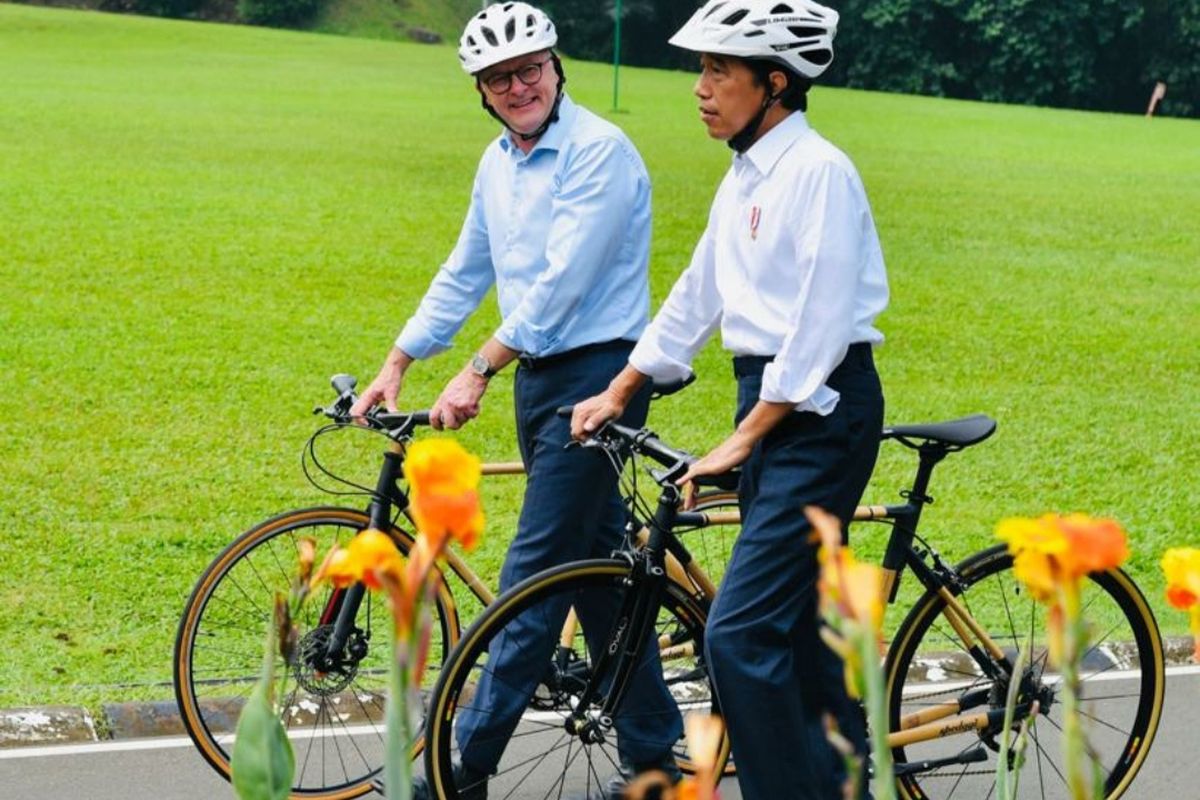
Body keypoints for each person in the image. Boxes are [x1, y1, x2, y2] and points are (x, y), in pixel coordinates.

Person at [350, 3, 683, 798]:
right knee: (596, 577)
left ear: (556, 67)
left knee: (531, 579)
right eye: (499, 78)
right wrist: (398, 360)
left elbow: (561, 288)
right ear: (482, 91)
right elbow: (466, 269)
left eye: (529, 68)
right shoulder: (497, 162)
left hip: (600, 378)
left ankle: (456, 770)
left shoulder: (600, 152)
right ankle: (657, 762)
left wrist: (477, 368)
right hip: (540, 382)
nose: (518, 85)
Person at [571, 1, 889, 798]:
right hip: (775, 402)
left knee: (739, 634)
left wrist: (745, 437)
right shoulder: (747, 174)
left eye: (719, 71)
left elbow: (818, 328)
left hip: (819, 410)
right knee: (799, 635)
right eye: (701, 70)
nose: (700, 88)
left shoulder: (819, 172)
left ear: (774, 83)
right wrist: (622, 384)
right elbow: (697, 291)